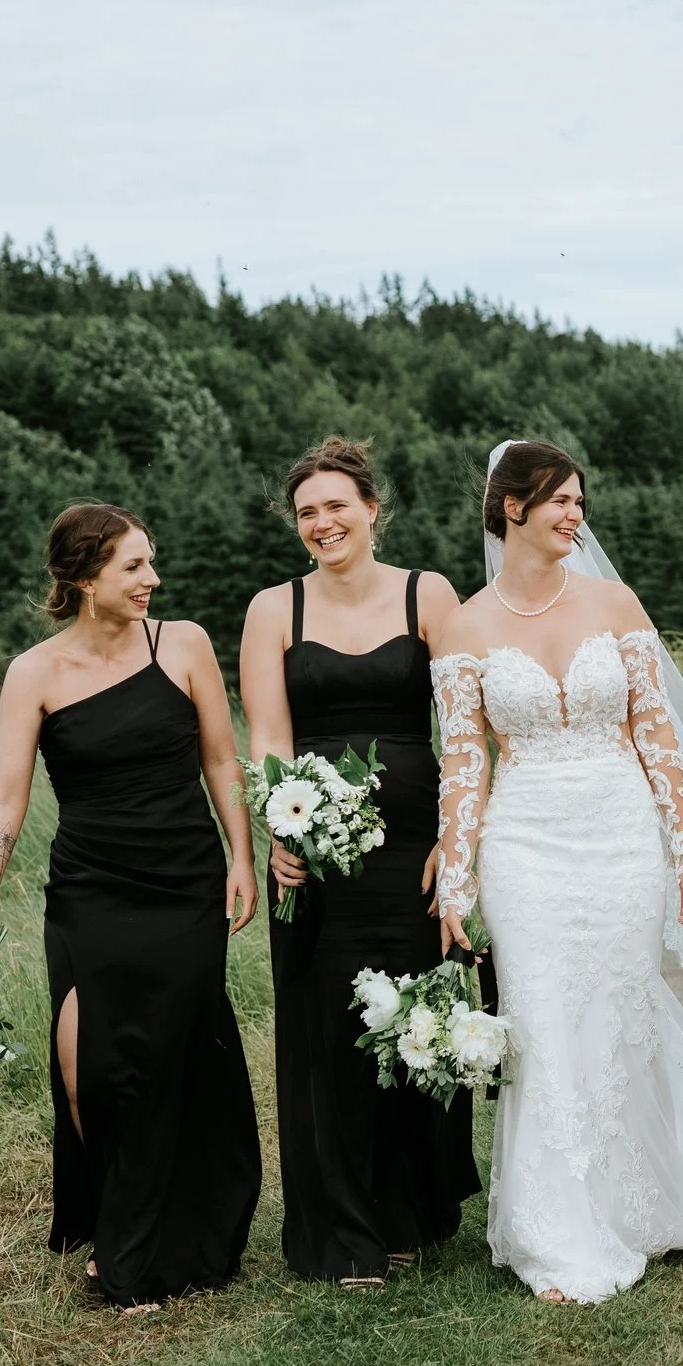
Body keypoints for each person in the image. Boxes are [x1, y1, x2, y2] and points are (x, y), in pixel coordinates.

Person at [430, 441, 683, 1303]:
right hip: (525, 840)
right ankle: (557, 1226)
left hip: (618, 831)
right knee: (539, 1012)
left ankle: (639, 1201)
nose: (576, 515)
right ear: (513, 509)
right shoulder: (464, 625)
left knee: (619, 1006)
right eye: (561, 502)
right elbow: (464, 762)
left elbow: (656, 733)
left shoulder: (615, 603)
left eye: (580, 502)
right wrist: (456, 877)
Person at [0, 503, 260, 1313]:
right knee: (91, 1063)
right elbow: (4, 801)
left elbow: (222, 759)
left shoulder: (185, 644)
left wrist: (243, 856)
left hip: (185, 882)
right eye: (134, 566)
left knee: (173, 1054)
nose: (152, 579)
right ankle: (121, 1214)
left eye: (151, 563)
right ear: (84, 577)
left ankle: (160, 1236)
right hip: (91, 890)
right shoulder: (35, 674)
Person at [239, 437, 478, 1286]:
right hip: (314, 851)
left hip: (414, 841)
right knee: (326, 1031)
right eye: (307, 512)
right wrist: (278, 830)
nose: (322, 522)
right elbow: (267, 738)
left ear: (373, 509)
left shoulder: (429, 593)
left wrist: (457, 835)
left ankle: (407, 1206)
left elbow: (465, 723)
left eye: (336, 505)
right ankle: (345, 1226)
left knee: (413, 1014)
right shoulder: (274, 610)